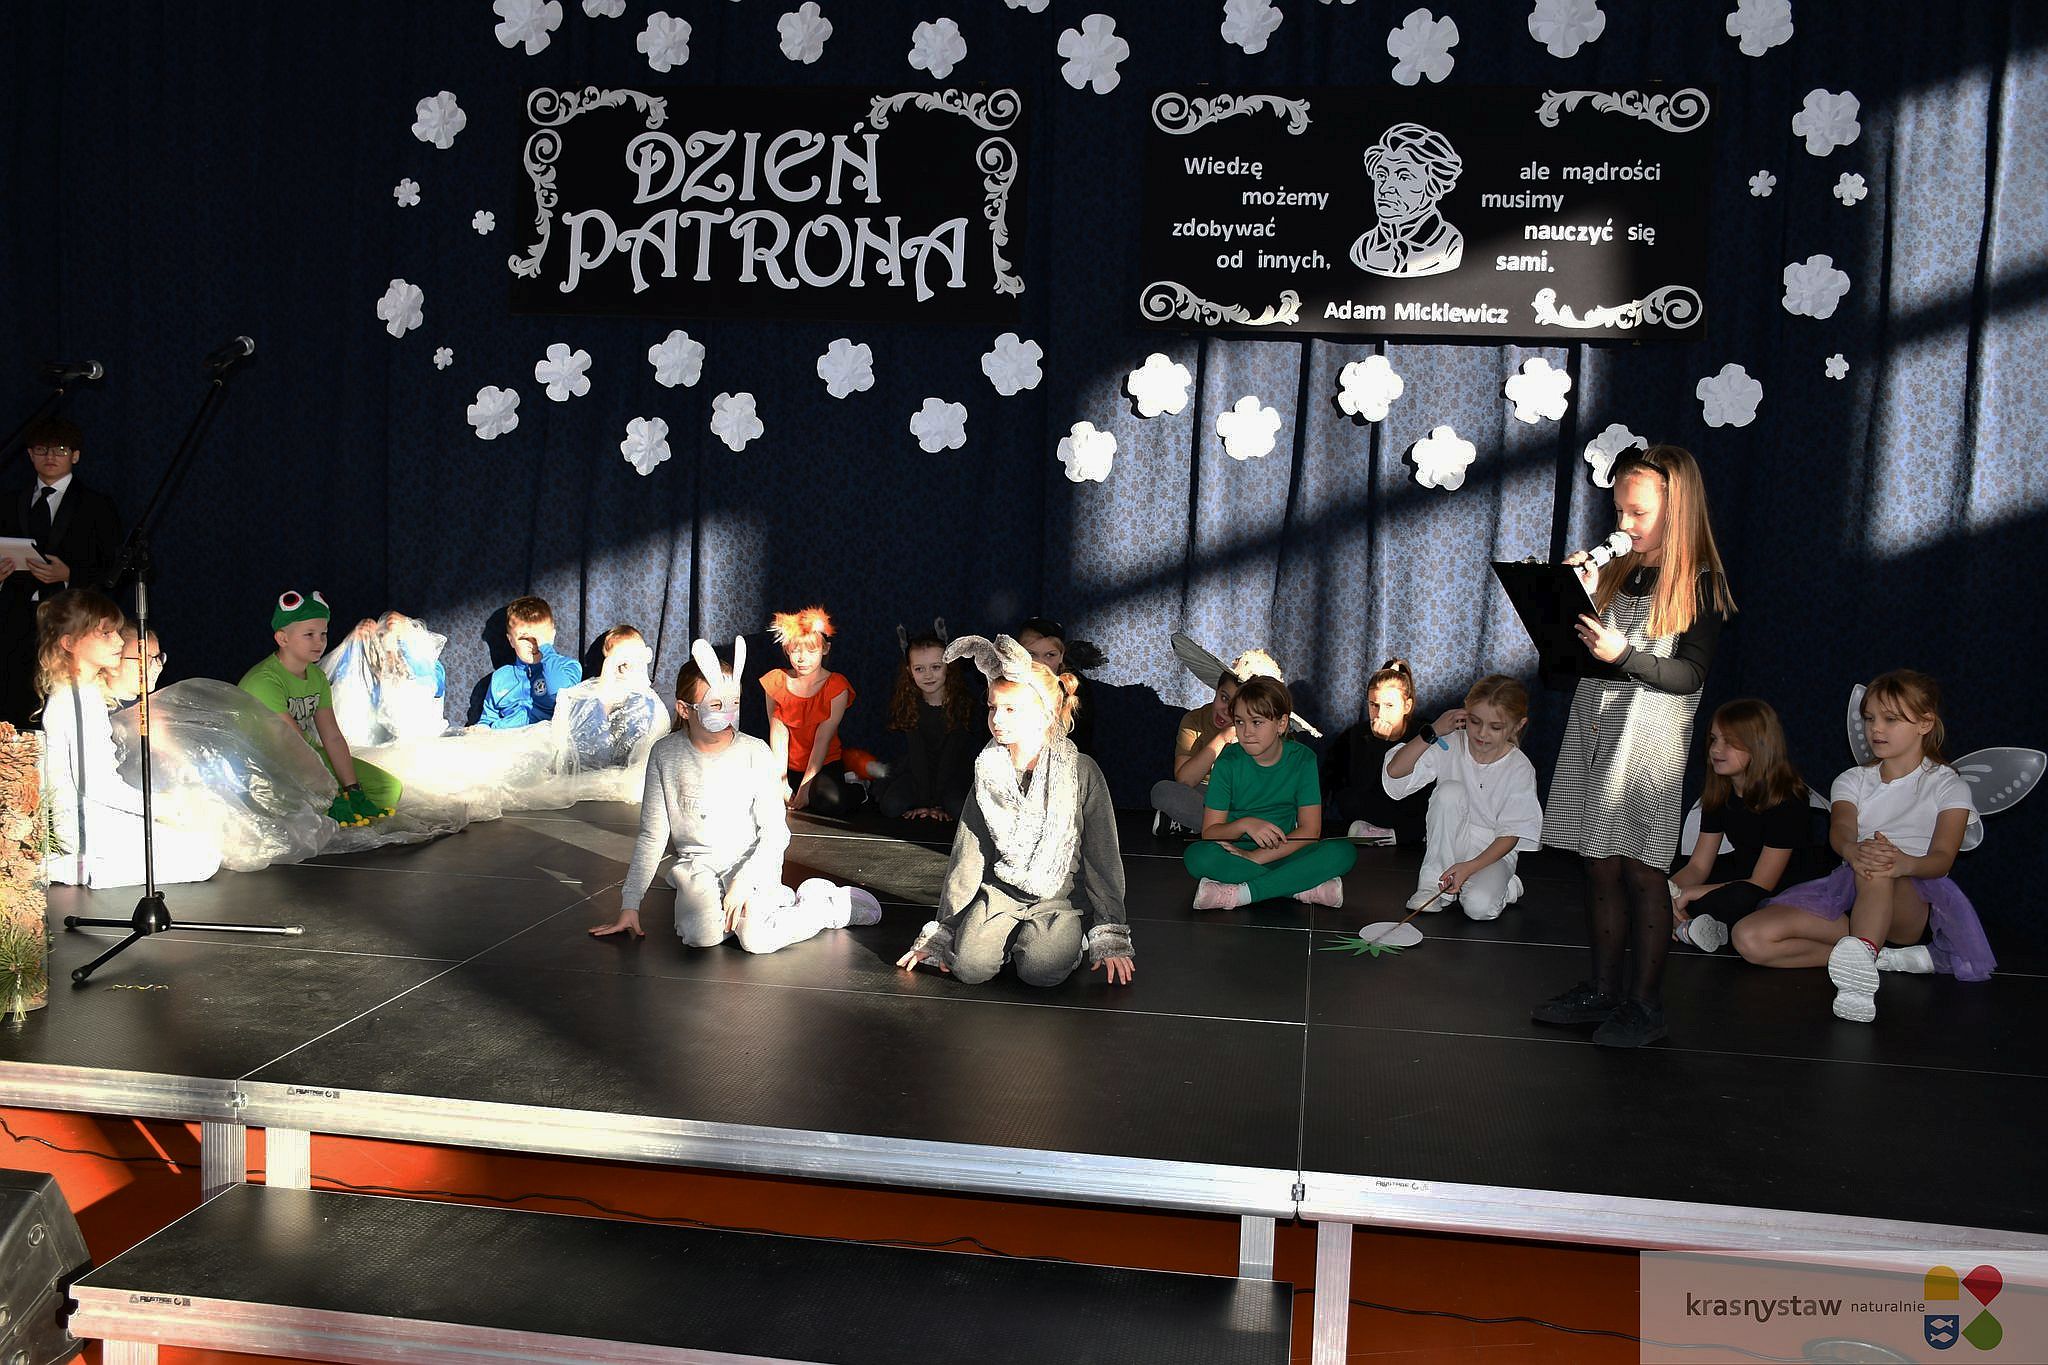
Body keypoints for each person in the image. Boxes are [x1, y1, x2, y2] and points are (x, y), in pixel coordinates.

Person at [1534, 445, 1736, 1048]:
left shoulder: (1701, 581)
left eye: (1638, 513)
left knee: (1642, 870)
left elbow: (1690, 675)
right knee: (1597, 862)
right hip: (1596, 729)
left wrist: (1623, 654)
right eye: (1619, 510)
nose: (1624, 524)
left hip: (1647, 744)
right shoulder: (1619, 570)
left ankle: (1645, 1004)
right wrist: (1572, 599)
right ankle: (1603, 990)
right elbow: (1561, 665)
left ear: (1678, 510)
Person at [1732, 671, 1993, 1020]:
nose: (1876, 729)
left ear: (1925, 723)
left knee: (1878, 864)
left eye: (1890, 719)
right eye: (1869, 719)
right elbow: (1841, 830)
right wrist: (1852, 850)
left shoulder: (1948, 785)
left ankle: (1858, 984)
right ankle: (1869, 956)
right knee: (1749, 937)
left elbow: (1942, 859)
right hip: (1849, 893)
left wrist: (1902, 862)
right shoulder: (1852, 780)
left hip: (1909, 897)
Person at [591, 637, 880, 950]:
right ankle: (764, 908)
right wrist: (630, 905)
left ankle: (825, 905)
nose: (727, 715)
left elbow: (775, 833)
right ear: (685, 710)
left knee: (756, 938)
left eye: (734, 703)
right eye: (716, 705)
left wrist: (744, 882)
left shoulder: (755, 752)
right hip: (697, 867)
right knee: (701, 937)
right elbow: (652, 835)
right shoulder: (665, 755)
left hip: (752, 862)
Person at [897, 634, 1134, 987]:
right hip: (1000, 892)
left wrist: (1109, 927)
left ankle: (1067, 939)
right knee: (970, 968)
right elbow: (968, 856)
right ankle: (1004, 938)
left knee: (1042, 971)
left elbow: (1103, 856)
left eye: (1011, 710)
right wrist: (944, 929)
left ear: (1044, 714)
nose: (997, 719)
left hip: (1059, 896)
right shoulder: (989, 770)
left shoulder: (1080, 770)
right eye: (993, 707)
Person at [34, 588, 220, 888]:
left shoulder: (88, 694)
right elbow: (95, 785)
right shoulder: (73, 700)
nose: (119, 642)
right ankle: (67, 869)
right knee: (204, 859)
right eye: (106, 634)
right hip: (86, 825)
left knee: (202, 840)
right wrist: (160, 807)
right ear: (70, 643)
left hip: (100, 815)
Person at [1183, 675, 1357, 911]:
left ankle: (1242, 893)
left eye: (1257, 722)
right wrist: (1246, 824)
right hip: (1234, 852)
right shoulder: (1227, 762)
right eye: (1239, 722)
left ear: (1281, 724)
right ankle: (1299, 888)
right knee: (1197, 856)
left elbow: (1310, 831)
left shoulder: (1303, 759)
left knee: (1343, 851)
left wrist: (1254, 857)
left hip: (1283, 850)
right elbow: (1210, 832)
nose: (1246, 732)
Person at [1382, 674, 1541, 920]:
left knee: (1478, 908)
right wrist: (1432, 731)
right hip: (1451, 841)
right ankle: (1432, 884)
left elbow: (1510, 835)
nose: (1482, 733)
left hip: (1492, 852)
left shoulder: (1519, 768)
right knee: (1449, 792)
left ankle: (1506, 887)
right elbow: (1396, 771)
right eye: (1475, 722)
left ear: (1518, 726)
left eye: (1495, 727)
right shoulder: (1450, 743)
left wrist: (1470, 867)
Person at [1666, 699, 1818, 954]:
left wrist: (1690, 894)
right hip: (1742, 874)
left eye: (1729, 742)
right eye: (1714, 739)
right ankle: (1692, 925)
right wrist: (1669, 892)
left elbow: (1763, 882)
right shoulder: (1721, 793)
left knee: (1738, 898)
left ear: (1758, 747)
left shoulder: (1787, 801)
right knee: (1667, 877)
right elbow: (1698, 866)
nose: (1716, 749)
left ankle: (1697, 925)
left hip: (1782, 886)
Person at [0, 418, 125, 727]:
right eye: (41, 449)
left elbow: (114, 567)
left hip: (73, 623)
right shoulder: (9, 501)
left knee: (59, 706)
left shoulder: (96, 504)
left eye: (60, 449)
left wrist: (69, 574)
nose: (50, 456)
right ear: (30, 454)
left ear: (75, 455)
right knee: (13, 703)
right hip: (15, 622)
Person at [239, 590, 401, 826]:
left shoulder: (316, 677)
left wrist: (352, 789)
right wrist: (328, 792)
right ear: (283, 639)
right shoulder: (264, 681)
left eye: (323, 634)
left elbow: (332, 737)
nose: (320, 642)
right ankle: (321, 810)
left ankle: (335, 809)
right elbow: (292, 744)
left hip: (306, 754)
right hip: (267, 762)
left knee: (388, 788)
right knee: (308, 806)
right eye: (309, 635)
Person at [761, 604, 874, 817]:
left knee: (829, 801)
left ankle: (858, 787)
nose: (802, 658)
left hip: (822, 764)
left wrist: (805, 788)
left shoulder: (836, 686)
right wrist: (781, 782)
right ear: (787, 650)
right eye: (795, 650)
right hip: (788, 766)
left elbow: (822, 739)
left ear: (825, 649)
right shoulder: (777, 680)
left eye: (811, 651)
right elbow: (778, 734)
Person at [1319, 658, 1433, 844]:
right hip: (1372, 808)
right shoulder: (1357, 735)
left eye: (1389, 706)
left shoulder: (1421, 733)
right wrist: (1378, 743)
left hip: (1408, 808)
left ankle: (1397, 835)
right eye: (1374, 705)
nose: (1380, 714)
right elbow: (1360, 786)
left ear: (1407, 706)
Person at [873, 624, 977, 822]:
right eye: (919, 669)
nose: (928, 675)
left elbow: (951, 757)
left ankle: (942, 801)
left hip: (954, 773)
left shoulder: (961, 704)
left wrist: (936, 805)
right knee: (891, 806)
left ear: (948, 667)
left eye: (935, 667)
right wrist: (924, 803)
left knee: (959, 808)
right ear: (910, 671)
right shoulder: (910, 704)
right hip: (917, 772)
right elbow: (917, 755)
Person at [1350, 122, 1465, 279]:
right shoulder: (1362, 249)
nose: (1384, 189)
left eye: (1403, 177)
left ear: (1434, 186)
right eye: (1381, 175)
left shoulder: (1450, 245)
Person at [479, 596, 582, 728]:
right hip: (504, 737)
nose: (534, 645)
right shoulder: (500, 677)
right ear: (511, 641)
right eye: (525, 638)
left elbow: (559, 694)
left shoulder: (569, 667)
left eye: (539, 637)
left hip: (546, 738)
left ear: (552, 636)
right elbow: (487, 720)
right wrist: (481, 728)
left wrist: (546, 649)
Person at [1016, 617, 1107, 756]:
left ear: (1061, 656)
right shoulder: (1003, 683)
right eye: (1031, 654)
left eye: (1050, 655)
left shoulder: (1075, 689)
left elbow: (1080, 745)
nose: (1040, 663)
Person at [111, 621, 165, 710]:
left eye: (158, 658)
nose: (158, 668)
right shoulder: (94, 711)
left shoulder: (152, 710)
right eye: (144, 659)